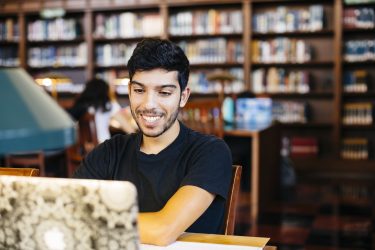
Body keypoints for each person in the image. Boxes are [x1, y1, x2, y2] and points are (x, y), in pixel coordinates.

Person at [73, 38, 232, 246]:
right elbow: (68, 211)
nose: (149, 104)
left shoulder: (210, 152)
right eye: (139, 90)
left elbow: (162, 230)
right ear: (129, 91)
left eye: (164, 93)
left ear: (183, 97)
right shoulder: (109, 152)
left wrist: (90, 220)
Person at [67, 78, 136, 143]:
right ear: (105, 92)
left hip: (83, 149)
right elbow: (129, 130)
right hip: (104, 147)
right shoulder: (108, 105)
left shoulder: (81, 105)